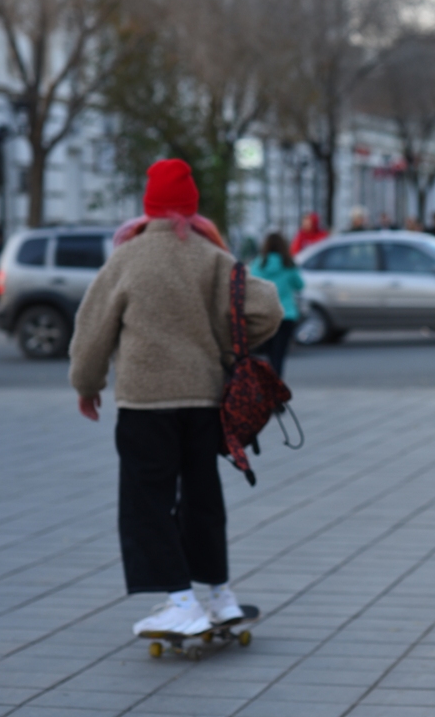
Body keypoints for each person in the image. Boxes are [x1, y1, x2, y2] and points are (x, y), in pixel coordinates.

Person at [69, 159, 283, 637]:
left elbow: (92, 329)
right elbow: (268, 308)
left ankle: (180, 602)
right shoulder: (212, 258)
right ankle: (221, 597)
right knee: (202, 496)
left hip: (146, 404)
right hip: (204, 401)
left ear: (148, 205)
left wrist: (87, 385)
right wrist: (229, 351)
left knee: (147, 502)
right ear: (191, 205)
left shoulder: (129, 257)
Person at [250, 232, 304, 376]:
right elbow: (300, 285)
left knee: (267, 355)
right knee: (279, 356)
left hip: (265, 314)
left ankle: (269, 388)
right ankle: (277, 390)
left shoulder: (259, 263)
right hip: (287, 314)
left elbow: (251, 285)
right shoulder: (288, 263)